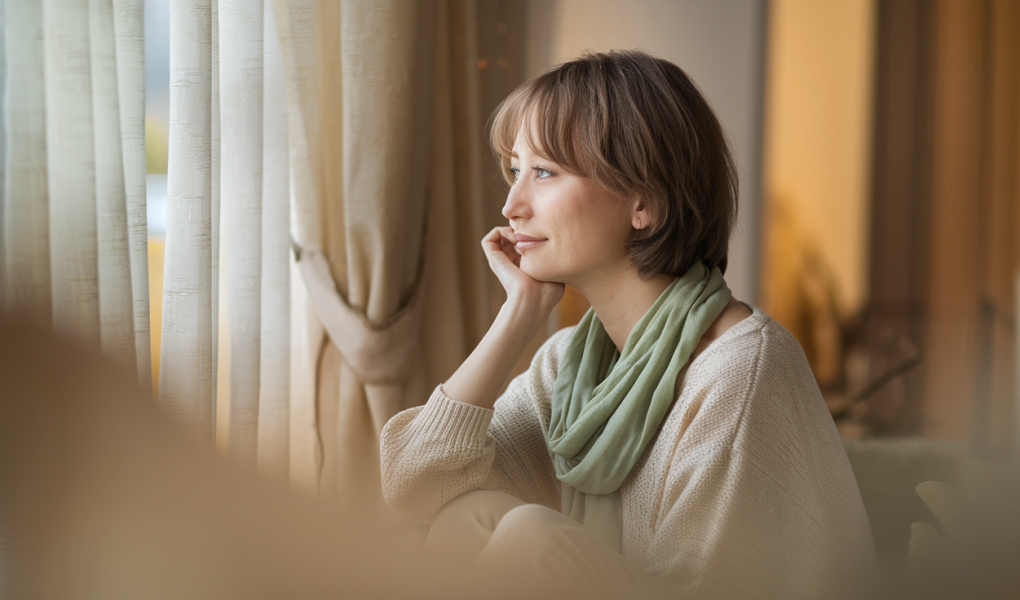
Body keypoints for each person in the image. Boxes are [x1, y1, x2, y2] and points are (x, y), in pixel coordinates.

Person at [380, 50, 877, 598]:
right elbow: (416, 486)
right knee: (465, 515)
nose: (511, 204)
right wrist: (516, 316)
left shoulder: (739, 368)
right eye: (515, 171)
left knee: (529, 533)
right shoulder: (572, 365)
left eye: (543, 172)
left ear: (644, 200)